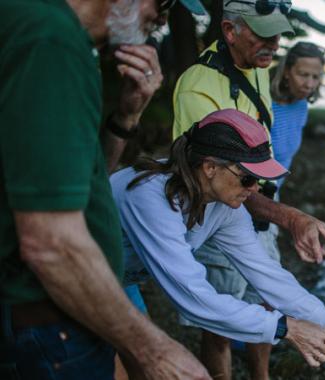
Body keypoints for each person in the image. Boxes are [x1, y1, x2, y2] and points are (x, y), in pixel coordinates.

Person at [0, 0, 210, 379]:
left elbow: (76, 185)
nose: (165, 16)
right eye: (163, 2)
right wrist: (155, 352)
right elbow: (50, 243)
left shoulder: (64, 41)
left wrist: (128, 115)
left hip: (68, 314)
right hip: (51, 323)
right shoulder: (50, 39)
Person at [111, 109, 325, 378]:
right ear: (210, 167)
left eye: (260, 180)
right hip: (79, 272)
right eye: (248, 178)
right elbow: (192, 296)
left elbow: (265, 273)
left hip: (119, 279)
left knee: (142, 369)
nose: (255, 190)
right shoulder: (150, 197)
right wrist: (285, 328)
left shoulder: (225, 206)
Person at [171, 1, 325, 378]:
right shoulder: (197, 88)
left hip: (255, 209)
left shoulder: (255, 63)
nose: (274, 43)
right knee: (220, 325)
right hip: (215, 217)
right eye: (263, 34)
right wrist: (290, 217)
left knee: (267, 302)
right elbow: (221, 186)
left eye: (278, 33)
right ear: (230, 31)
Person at [269, 41, 325, 181]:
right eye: (303, 74)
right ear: (287, 72)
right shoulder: (265, 103)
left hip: (275, 188)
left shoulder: (301, 104)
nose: (309, 85)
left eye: (315, 77)